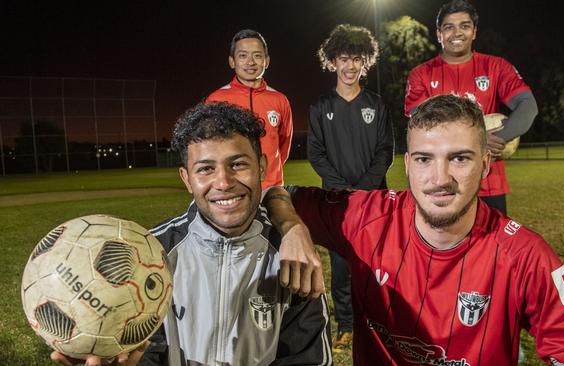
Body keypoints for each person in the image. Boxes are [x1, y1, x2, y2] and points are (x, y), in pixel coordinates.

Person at [264, 94, 564, 365]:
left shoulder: (524, 255)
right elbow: (273, 193)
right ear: (407, 165)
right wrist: (293, 227)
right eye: (424, 159)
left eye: (460, 158)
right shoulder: (365, 217)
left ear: (486, 163)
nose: (440, 179)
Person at [52, 102, 331, 366]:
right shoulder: (151, 252)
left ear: (261, 167)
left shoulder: (293, 257)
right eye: (206, 169)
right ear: (187, 179)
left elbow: (309, 358)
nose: (223, 182)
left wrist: (291, 226)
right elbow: (150, 350)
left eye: (238, 164)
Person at [404, 0, 538, 215]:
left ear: (474, 32)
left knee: (492, 246)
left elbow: (528, 106)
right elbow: (420, 125)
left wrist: (500, 136)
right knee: (445, 246)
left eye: (464, 26)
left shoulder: (496, 66)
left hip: (488, 181)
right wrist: (476, 141)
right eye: (449, 27)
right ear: (439, 34)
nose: (457, 32)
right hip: (441, 183)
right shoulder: (421, 75)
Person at [308, 24, 394, 352]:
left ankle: (378, 322)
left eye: (356, 59)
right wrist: (343, 190)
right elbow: (316, 153)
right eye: (343, 58)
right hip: (338, 203)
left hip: (373, 201)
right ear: (332, 61)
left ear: (365, 62)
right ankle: (345, 325)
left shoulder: (377, 104)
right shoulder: (319, 107)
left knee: (377, 265)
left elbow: (385, 151)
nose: (350, 66)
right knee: (342, 266)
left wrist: (364, 189)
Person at [206, 29, 293, 189]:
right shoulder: (216, 99)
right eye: (243, 55)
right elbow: (211, 146)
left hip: (271, 187)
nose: (250, 62)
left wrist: (270, 172)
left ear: (266, 61)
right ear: (232, 61)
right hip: (234, 187)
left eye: (257, 56)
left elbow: (283, 144)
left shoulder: (279, 100)